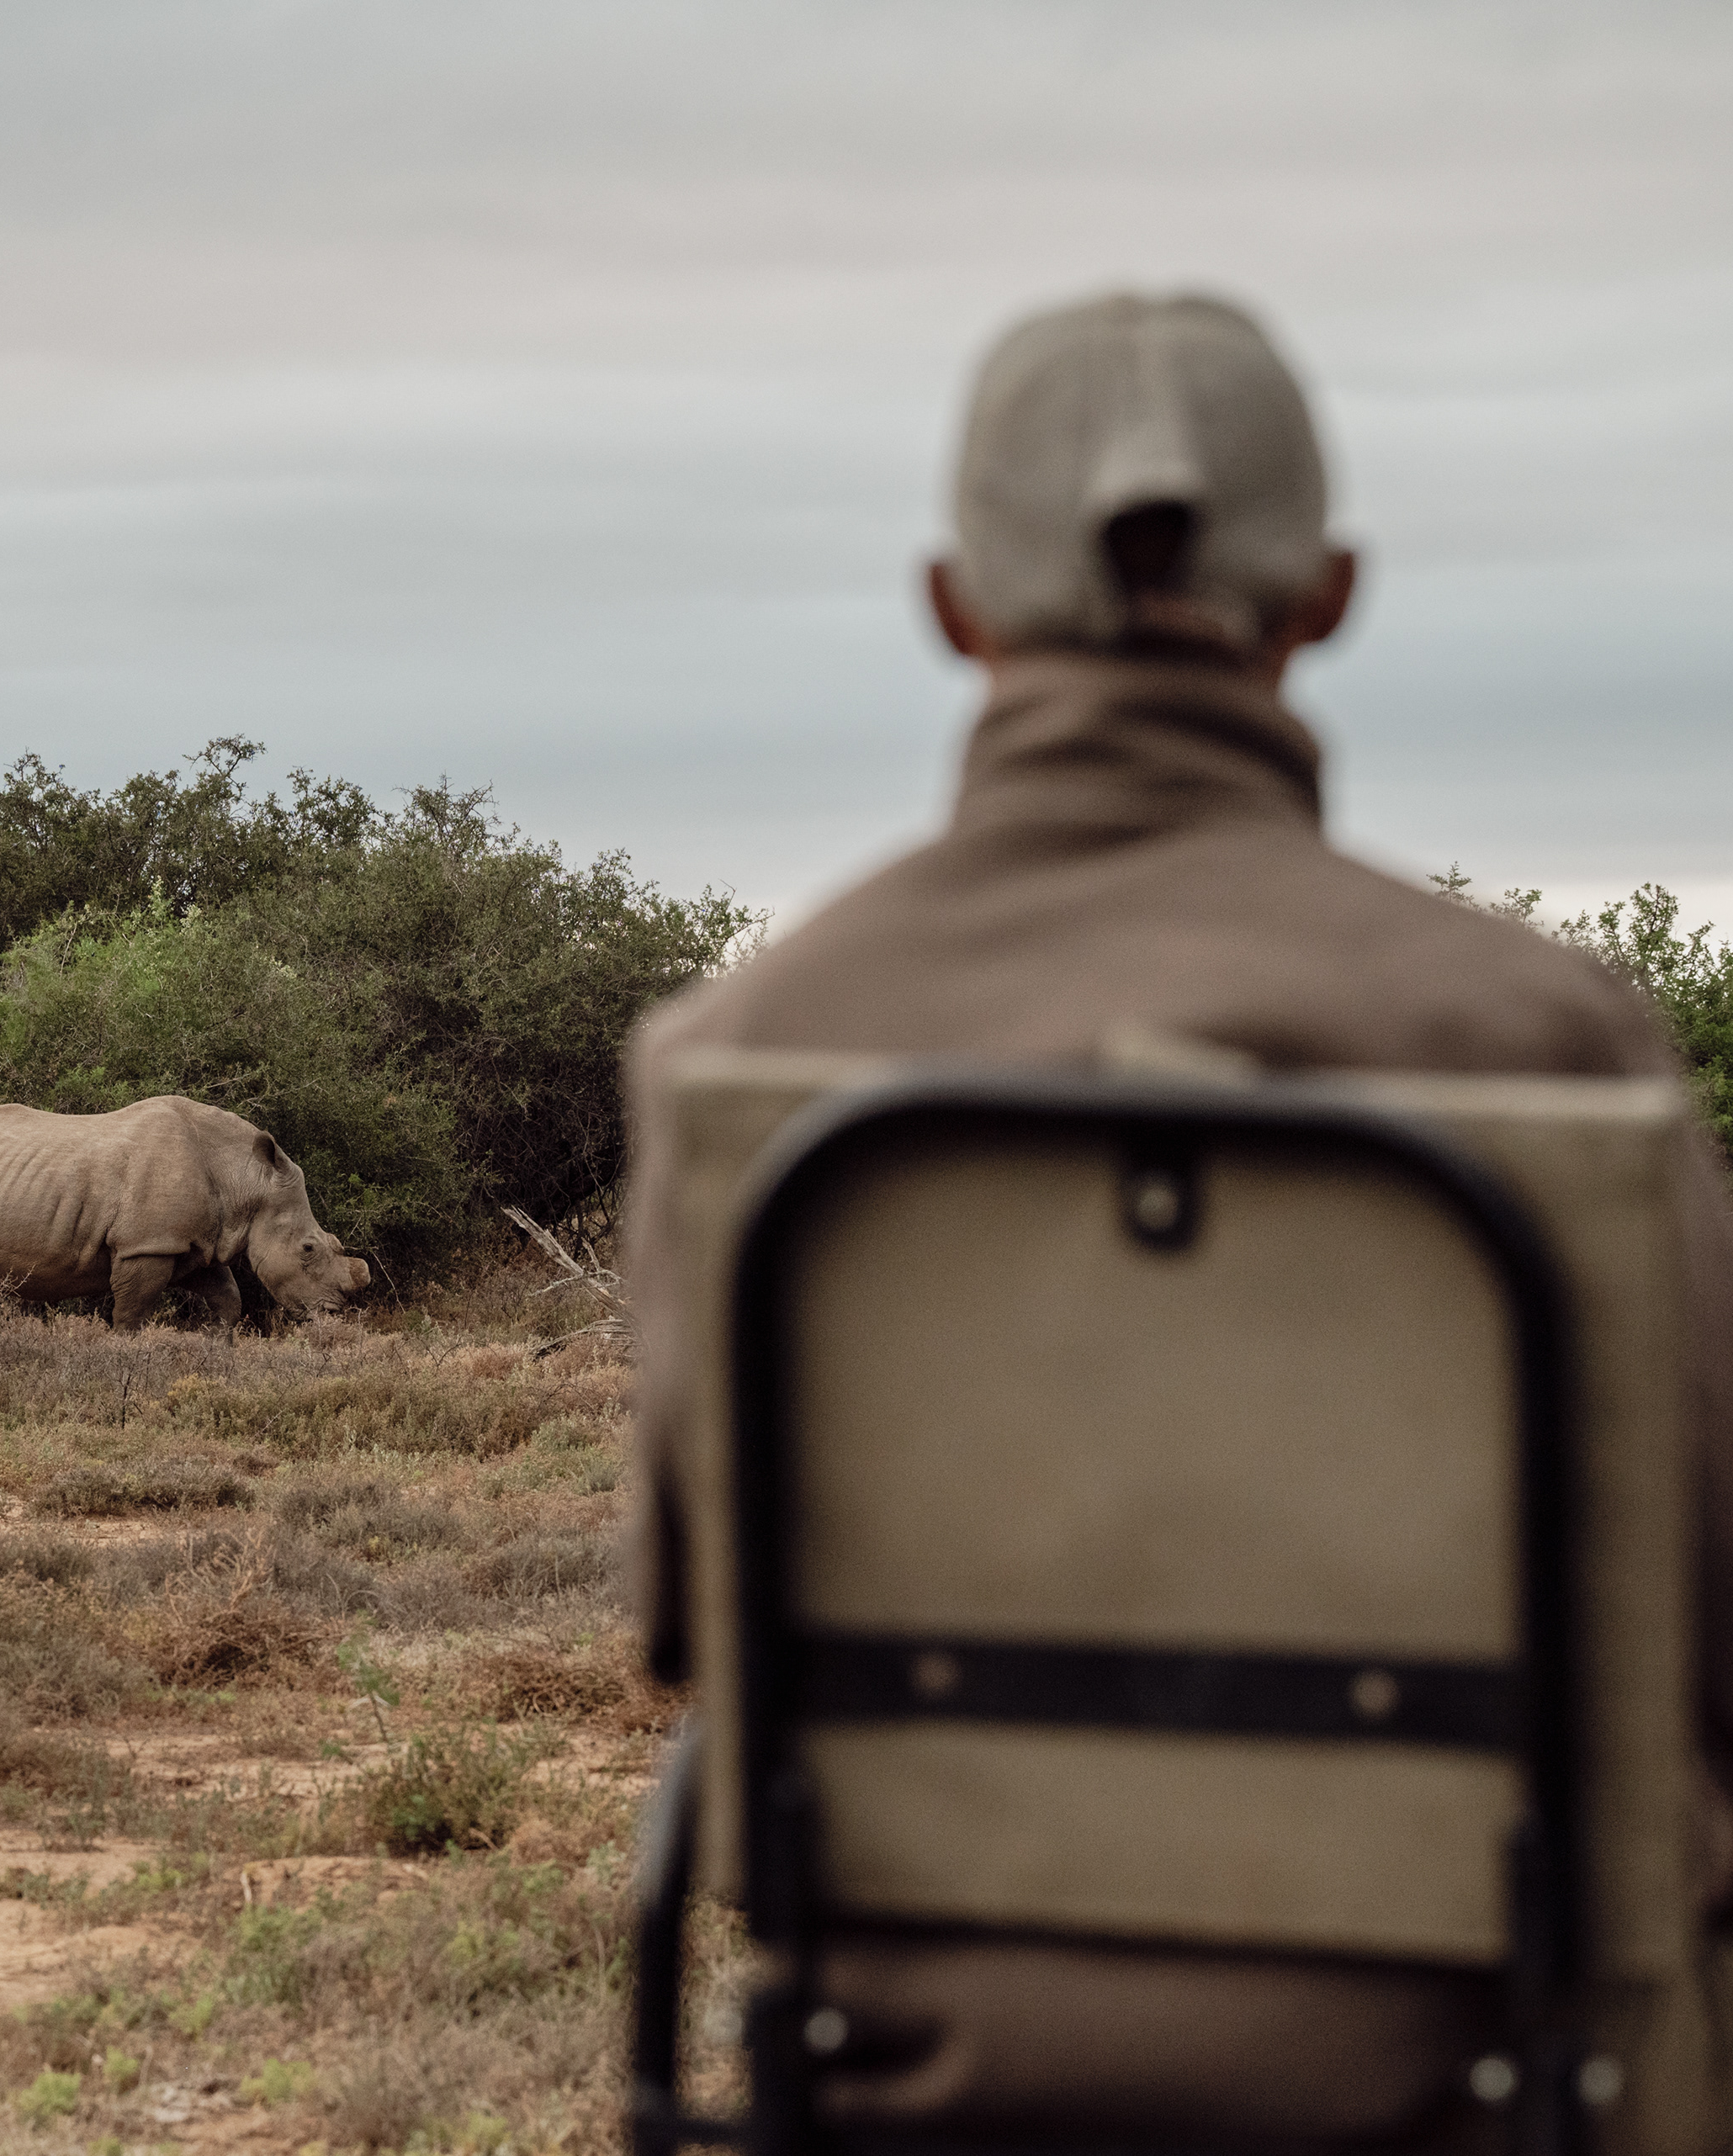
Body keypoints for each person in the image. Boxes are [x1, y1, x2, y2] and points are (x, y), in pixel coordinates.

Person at [623, 289, 1733, 2140]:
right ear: (1330, 596)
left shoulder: (741, 1047)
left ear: (954, 606)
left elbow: (692, 1622)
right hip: (1501, 2087)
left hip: (918, 2087)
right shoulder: (1553, 1035)